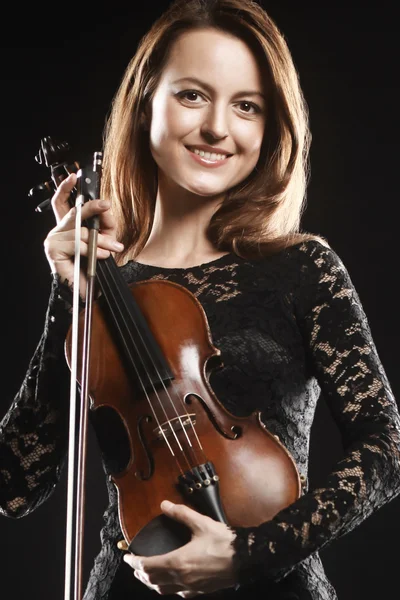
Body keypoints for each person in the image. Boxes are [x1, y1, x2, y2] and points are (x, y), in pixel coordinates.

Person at [1, 0, 399, 599]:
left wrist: (249, 554)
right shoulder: (103, 282)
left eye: (246, 106)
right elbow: (14, 484)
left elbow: (387, 448)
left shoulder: (303, 269)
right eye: (192, 95)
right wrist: (70, 294)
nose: (218, 127)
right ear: (144, 103)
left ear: (269, 127)